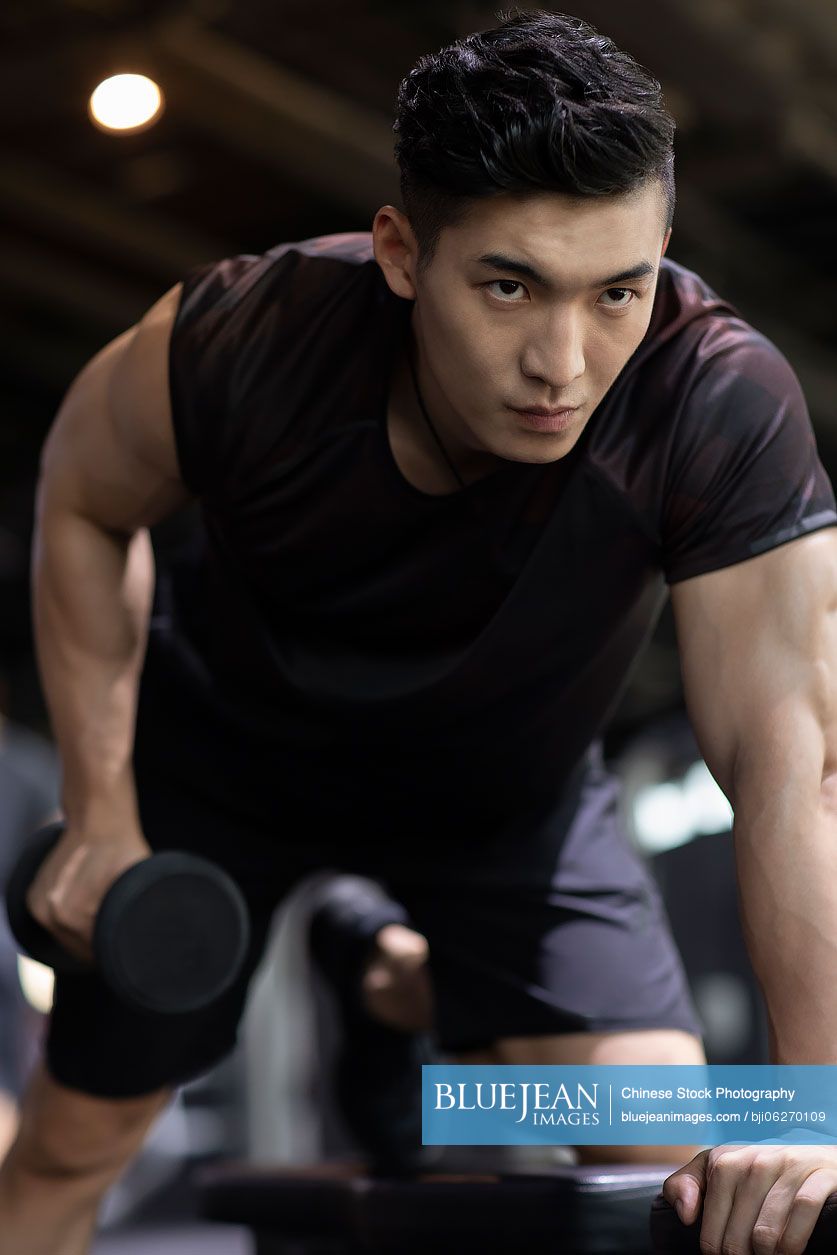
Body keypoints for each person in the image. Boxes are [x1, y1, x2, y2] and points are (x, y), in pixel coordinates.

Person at [2, 8, 837, 1253]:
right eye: (510, 285)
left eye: (617, 290)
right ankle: (391, 963)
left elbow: (792, 762)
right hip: (223, 771)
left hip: (507, 801)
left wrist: (809, 1109)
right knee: (75, 1139)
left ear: (660, 249)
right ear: (401, 251)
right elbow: (80, 499)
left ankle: (391, 976)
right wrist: (102, 803)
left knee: (665, 1150)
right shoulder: (244, 339)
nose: (564, 361)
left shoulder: (713, 401)